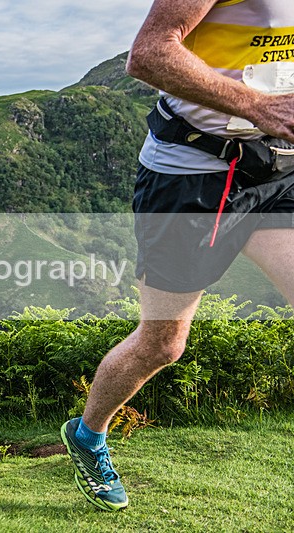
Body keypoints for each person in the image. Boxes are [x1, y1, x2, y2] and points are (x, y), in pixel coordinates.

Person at [61, 0, 294, 511]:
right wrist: (255, 105)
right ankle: (88, 434)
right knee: (163, 344)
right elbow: (147, 54)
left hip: (277, 171)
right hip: (192, 175)